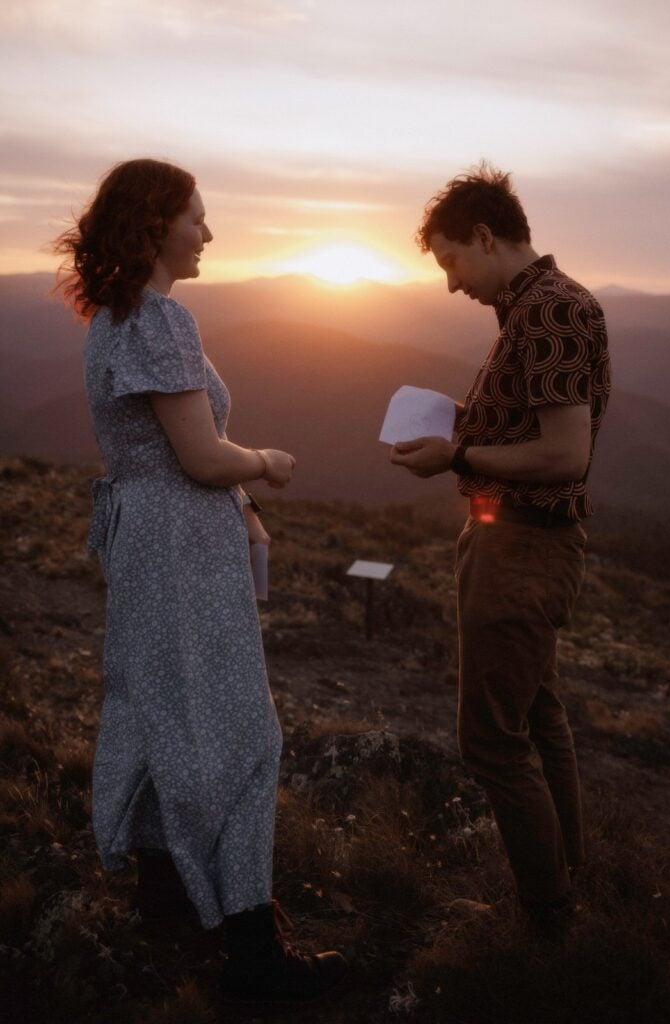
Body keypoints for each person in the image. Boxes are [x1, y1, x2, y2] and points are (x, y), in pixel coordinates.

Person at [53, 158, 346, 1007]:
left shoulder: (111, 321)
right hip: (182, 544)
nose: (209, 234)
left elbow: (159, 453)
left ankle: (165, 894)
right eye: (196, 217)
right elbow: (200, 455)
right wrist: (266, 465)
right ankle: (253, 952)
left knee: (158, 704)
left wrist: (242, 501)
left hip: (147, 538)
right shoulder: (165, 320)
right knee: (237, 728)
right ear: (156, 225)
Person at [390, 163, 610, 933]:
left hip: (523, 549)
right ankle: (562, 882)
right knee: (538, 715)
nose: (450, 283)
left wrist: (455, 456)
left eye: (450, 259)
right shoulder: (530, 311)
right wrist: (458, 417)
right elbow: (528, 426)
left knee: (490, 740)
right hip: (507, 542)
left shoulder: (549, 312)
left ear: (485, 237)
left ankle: (545, 919)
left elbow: (561, 456)